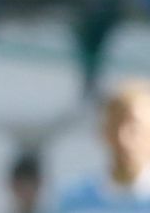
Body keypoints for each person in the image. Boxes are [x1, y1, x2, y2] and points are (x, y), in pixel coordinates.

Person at [55, 81, 150, 211]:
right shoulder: (73, 200)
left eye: (135, 128)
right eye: (115, 126)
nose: (123, 138)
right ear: (103, 132)